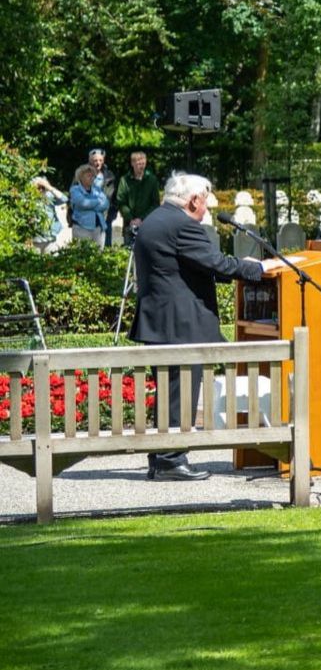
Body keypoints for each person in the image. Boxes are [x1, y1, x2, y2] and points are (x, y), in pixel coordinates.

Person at [131, 172, 270, 481]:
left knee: (170, 393)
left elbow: (197, 264)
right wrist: (257, 268)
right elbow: (216, 263)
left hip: (160, 322)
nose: (207, 209)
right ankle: (170, 460)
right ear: (193, 200)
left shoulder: (156, 219)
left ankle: (163, 457)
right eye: (205, 201)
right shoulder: (183, 226)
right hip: (180, 324)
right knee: (180, 392)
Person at [115, 151, 161, 241]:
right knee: (128, 251)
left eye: (143, 163)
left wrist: (141, 219)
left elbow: (155, 203)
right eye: (138, 163)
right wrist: (131, 219)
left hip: (147, 224)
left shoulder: (152, 180)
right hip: (129, 224)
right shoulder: (124, 180)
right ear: (132, 163)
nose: (141, 166)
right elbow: (121, 202)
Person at [68, 165, 110, 246]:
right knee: (82, 255)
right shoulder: (75, 190)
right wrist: (97, 202)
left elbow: (106, 204)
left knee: (98, 256)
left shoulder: (97, 189)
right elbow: (82, 203)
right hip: (81, 228)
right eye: (88, 176)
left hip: (98, 228)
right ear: (81, 177)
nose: (92, 178)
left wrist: (91, 204)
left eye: (93, 176)